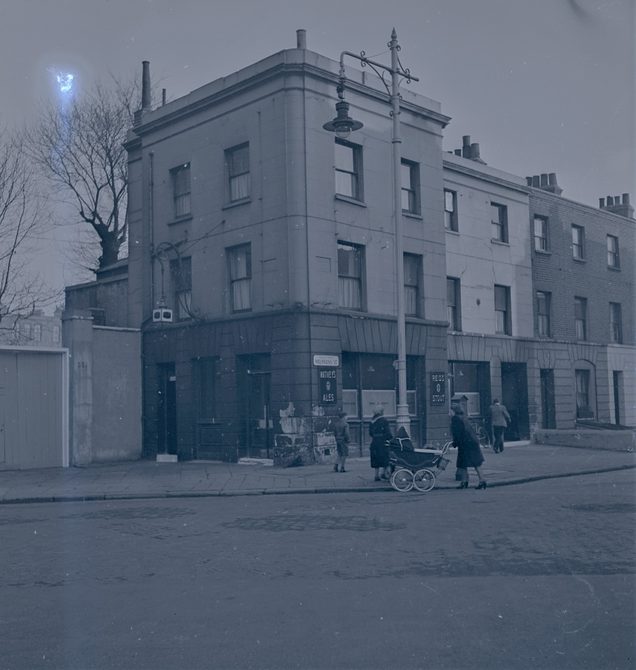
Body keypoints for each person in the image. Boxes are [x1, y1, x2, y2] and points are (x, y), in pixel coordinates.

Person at [451, 404, 487, 489]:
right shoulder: (463, 417)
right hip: (471, 442)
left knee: (464, 463)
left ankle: (466, 482)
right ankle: (479, 481)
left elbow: (458, 433)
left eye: (451, 410)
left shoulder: (456, 419)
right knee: (474, 463)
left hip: (466, 444)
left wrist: (455, 443)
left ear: (454, 411)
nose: (449, 412)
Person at [369, 408, 392, 481]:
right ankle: (385, 474)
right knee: (385, 458)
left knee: (376, 458)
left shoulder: (372, 421)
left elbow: (370, 433)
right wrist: (390, 438)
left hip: (374, 441)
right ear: (382, 412)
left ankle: (376, 475)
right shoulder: (384, 420)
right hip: (383, 441)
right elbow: (388, 433)